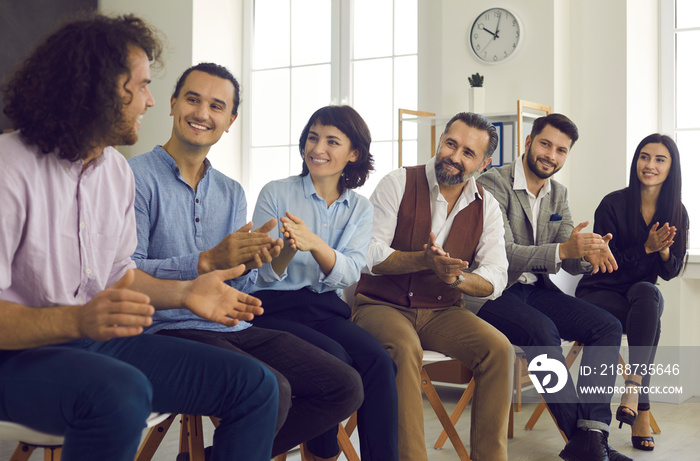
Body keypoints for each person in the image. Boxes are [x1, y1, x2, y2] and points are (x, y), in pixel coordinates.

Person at [0, 15, 282, 461]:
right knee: (121, 393)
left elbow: (119, 278)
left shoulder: (113, 171)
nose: (151, 102)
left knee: (255, 385)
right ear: (97, 87)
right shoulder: (8, 167)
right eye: (143, 85)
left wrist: (186, 292)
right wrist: (76, 321)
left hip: (91, 340)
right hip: (14, 355)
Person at [128, 63, 363, 457]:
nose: (203, 113)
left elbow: (240, 285)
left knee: (344, 385)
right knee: (274, 387)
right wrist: (205, 261)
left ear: (230, 120)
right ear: (171, 104)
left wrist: (254, 263)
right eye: (192, 99)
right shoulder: (133, 176)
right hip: (162, 329)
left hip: (227, 327)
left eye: (217, 106)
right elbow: (124, 272)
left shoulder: (231, 192)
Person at [352, 112, 514, 461]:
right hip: (381, 305)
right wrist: (422, 260)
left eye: (468, 153)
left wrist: (456, 279)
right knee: (404, 348)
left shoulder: (488, 207)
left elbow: (496, 274)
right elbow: (369, 252)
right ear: (440, 140)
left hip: (441, 311)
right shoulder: (398, 182)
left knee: (499, 351)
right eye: (450, 144)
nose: (454, 157)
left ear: (484, 163)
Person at [473, 113, 632, 461]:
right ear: (528, 142)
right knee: (542, 331)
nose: (551, 155)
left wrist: (588, 253)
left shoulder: (558, 193)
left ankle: (592, 435)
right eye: (545, 144)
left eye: (561, 150)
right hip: (492, 290)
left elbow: (570, 256)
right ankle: (591, 446)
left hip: (537, 290)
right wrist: (564, 250)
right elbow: (504, 253)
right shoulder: (491, 184)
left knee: (607, 326)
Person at [250, 105, 399, 461]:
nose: (318, 148)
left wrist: (314, 243)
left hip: (325, 311)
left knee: (380, 363)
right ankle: (320, 454)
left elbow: (350, 272)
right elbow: (262, 273)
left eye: (332, 141)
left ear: (354, 154)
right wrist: (286, 249)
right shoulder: (276, 193)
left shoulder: (360, 208)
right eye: (313, 138)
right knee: (334, 363)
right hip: (274, 309)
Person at [576, 134, 689, 452]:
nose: (649, 164)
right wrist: (647, 248)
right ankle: (641, 408)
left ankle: (632, 389)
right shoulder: (612, 204)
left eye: (659, 159)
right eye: (644, 156)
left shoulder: (676, 212)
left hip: (638, 297)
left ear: (671, 168)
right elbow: (605, 266)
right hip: (599, 291)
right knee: (649, 316)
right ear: (636, 161)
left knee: (647, 295)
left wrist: (663, 253)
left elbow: (669, 272)